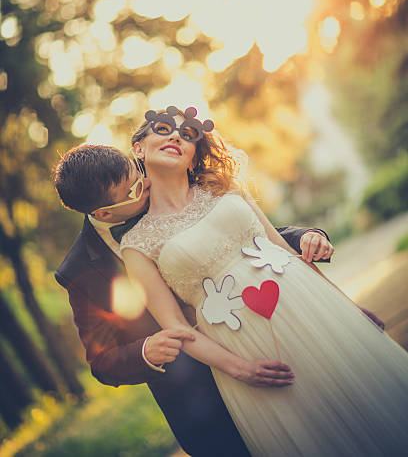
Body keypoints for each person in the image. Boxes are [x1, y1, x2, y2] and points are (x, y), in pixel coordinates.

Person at [118, 105, 408, 457]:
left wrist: (347, 307)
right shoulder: (136, 245)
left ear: (194, 155)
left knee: (368, 398)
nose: (176, 136)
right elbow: (178, 327)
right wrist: (240, 368)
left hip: (309, 307)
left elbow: (281, 247)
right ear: (139, 148)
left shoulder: (226, 189)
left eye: (188, 134)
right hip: (244, 348)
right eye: (163, 129)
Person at [54, 143, 340, 457]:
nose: (147, 182)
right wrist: (146, 351)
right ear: (104, 213)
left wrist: (302, 237)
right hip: (204, 403)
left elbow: (242, 236)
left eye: (139, 170)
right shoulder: (79, 269)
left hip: (269, 347)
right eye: (135, 188)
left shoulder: (168, 177)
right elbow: (102, 361)